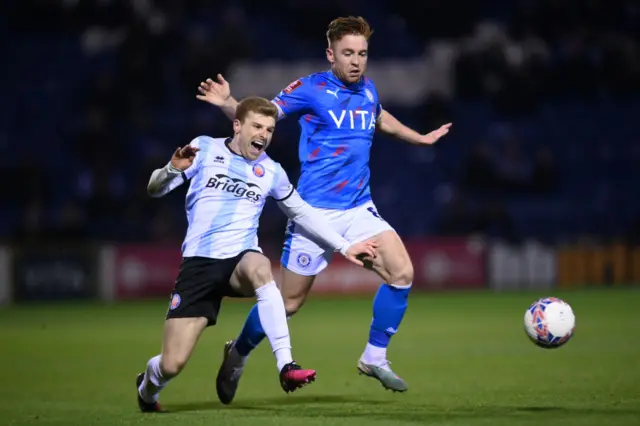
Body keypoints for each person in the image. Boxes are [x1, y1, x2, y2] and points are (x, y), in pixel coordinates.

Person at [196, 16, 452, 401]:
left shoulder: (367, 90)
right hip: (311, 214)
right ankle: (238, 352)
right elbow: (261, 119)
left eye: (362, 53)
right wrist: (230, 104)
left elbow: (379, 117)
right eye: (348, 53)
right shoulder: (310, 88)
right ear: (330, 54)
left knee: (401, 273)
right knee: (289, 303)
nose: (356, 61)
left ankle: (374, 356)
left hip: (358, 208)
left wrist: (420, 138)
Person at [136, 96, 378, 412]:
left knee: (261, 266)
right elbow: (154, 189)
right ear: (238, 125)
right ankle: (147, 391)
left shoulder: (271, 171)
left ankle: (286, 365)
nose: (263, 134)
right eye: (257, 126)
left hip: (240, 260)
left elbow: (303, 213)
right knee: (172, 364)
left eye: (269, 129)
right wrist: (170, 169)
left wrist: (345, 246)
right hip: (199, 265)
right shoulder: (205, 149)